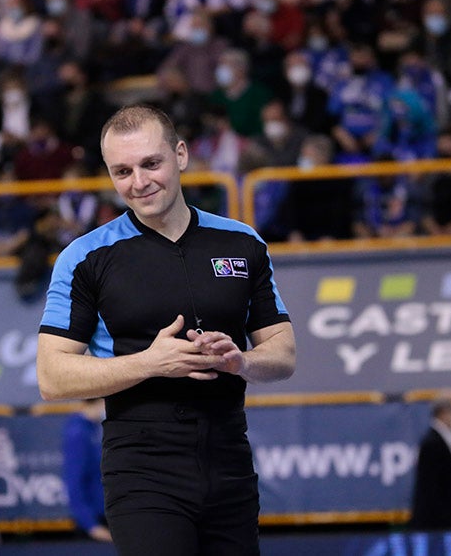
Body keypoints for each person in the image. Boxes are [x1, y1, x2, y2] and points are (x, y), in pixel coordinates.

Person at [36, 104, 296, 556]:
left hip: (230, 462)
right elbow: (51, 377)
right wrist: (149, 364)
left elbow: (284, 355)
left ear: (180, 155)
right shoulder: (83, 257)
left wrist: (242, 361)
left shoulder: (242, 242)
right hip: (142, 470)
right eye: (122, 171)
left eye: (150, 164)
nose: (138, 182)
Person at [410, 390, 451, 531]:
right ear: (444, 413)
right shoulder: (432, 443)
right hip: (438, 528)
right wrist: (450, 523)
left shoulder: (447, 440)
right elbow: (431, 490)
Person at [61, 398, 111, 543]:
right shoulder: (77, 433)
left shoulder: (95, 429)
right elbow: (74, 481)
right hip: (95, 522)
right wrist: (91, 526)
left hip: (107, 514)